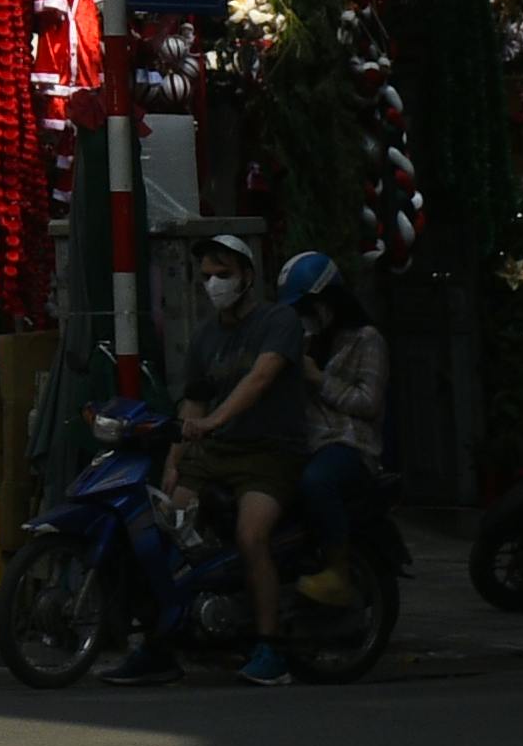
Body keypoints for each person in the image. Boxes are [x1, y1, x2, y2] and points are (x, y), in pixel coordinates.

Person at [159, 234, 311, 680]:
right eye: (206, 276)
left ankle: (270, 648)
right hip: (214, 453)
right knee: (168, 526)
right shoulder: (205, 337)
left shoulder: (278, 320)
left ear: (246, 275)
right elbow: (193, 404)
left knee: (251, 536)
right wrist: (174, 459)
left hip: (269, 452)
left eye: (223, 274)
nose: (214, 284)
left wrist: (213, 422)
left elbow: (261, 378)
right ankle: (164, 641)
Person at [284, 252, 395, 604]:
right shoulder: (303, 342)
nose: (305, 317)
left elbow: (368, 403)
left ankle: (338, 571)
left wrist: (319, 379)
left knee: (317, 482)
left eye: (308, 307)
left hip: (350, 446)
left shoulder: (366, 340)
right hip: (306, 443)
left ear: (329, 300)